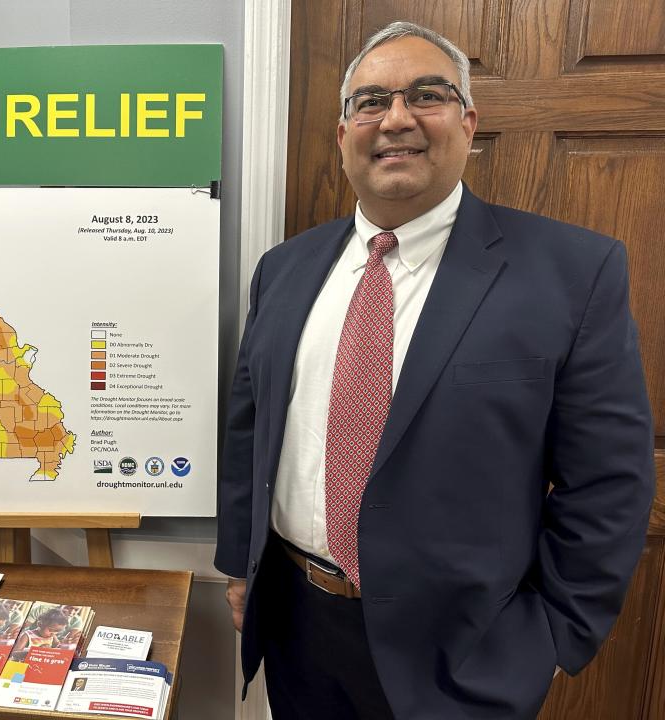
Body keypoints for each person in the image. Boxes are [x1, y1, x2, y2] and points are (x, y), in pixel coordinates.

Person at [215, 20, 655, 720]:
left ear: (467, 120)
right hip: (300, 628)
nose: (396, 119)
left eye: (427, 95)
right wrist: (240, 566)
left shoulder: (572, 273)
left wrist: (552, 633)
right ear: (342, 134)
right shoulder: (286, 269)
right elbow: (251, 426)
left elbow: (609, 481)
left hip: (466, 652)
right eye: (370, 102)